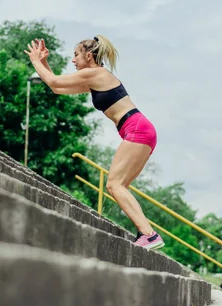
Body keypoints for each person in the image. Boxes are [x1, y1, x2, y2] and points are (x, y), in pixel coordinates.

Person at [24, 36, 164, 250]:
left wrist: (35, 60)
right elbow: (57, 88)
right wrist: (44, 63)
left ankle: (149, 235)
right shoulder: (93, 78)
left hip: (136, 128)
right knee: (120, 186)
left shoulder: (95, 73)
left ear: (89, 56)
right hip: (141, 129)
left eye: (76, 55)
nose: (73, 60)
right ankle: (145, 233)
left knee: (113, 184)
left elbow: (53, 81)